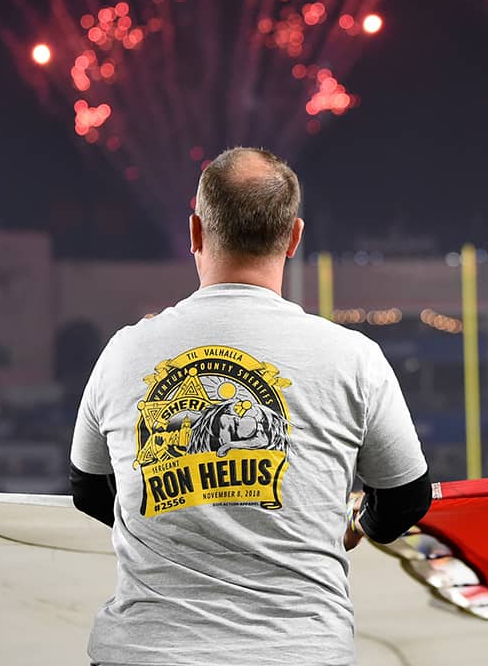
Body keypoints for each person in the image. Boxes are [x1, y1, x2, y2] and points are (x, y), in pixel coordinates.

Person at [69, 147, 431, 666]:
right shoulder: (354, 357)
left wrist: (173, 518)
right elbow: (406, 500)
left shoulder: (124, 351)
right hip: (299, 652)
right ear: (293, 238)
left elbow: (88, 490)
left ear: (195, 231)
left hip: (147, 652)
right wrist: (356, 524)